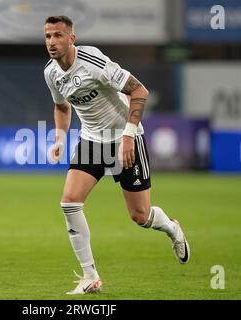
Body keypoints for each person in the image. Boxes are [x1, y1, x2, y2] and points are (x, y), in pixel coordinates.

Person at [43, 16, 190, 295]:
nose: (52, 42)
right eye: (48, 36)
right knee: (69, 203)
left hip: (124, 138)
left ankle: (171, 227)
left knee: (140, 216)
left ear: (71, 38)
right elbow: (62, 107)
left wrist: (128, 136)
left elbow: (139, 90)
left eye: (58, 35)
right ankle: (90, 276)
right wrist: (60, 137)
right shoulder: (51, 72)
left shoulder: (93, 61)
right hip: (91, 140)